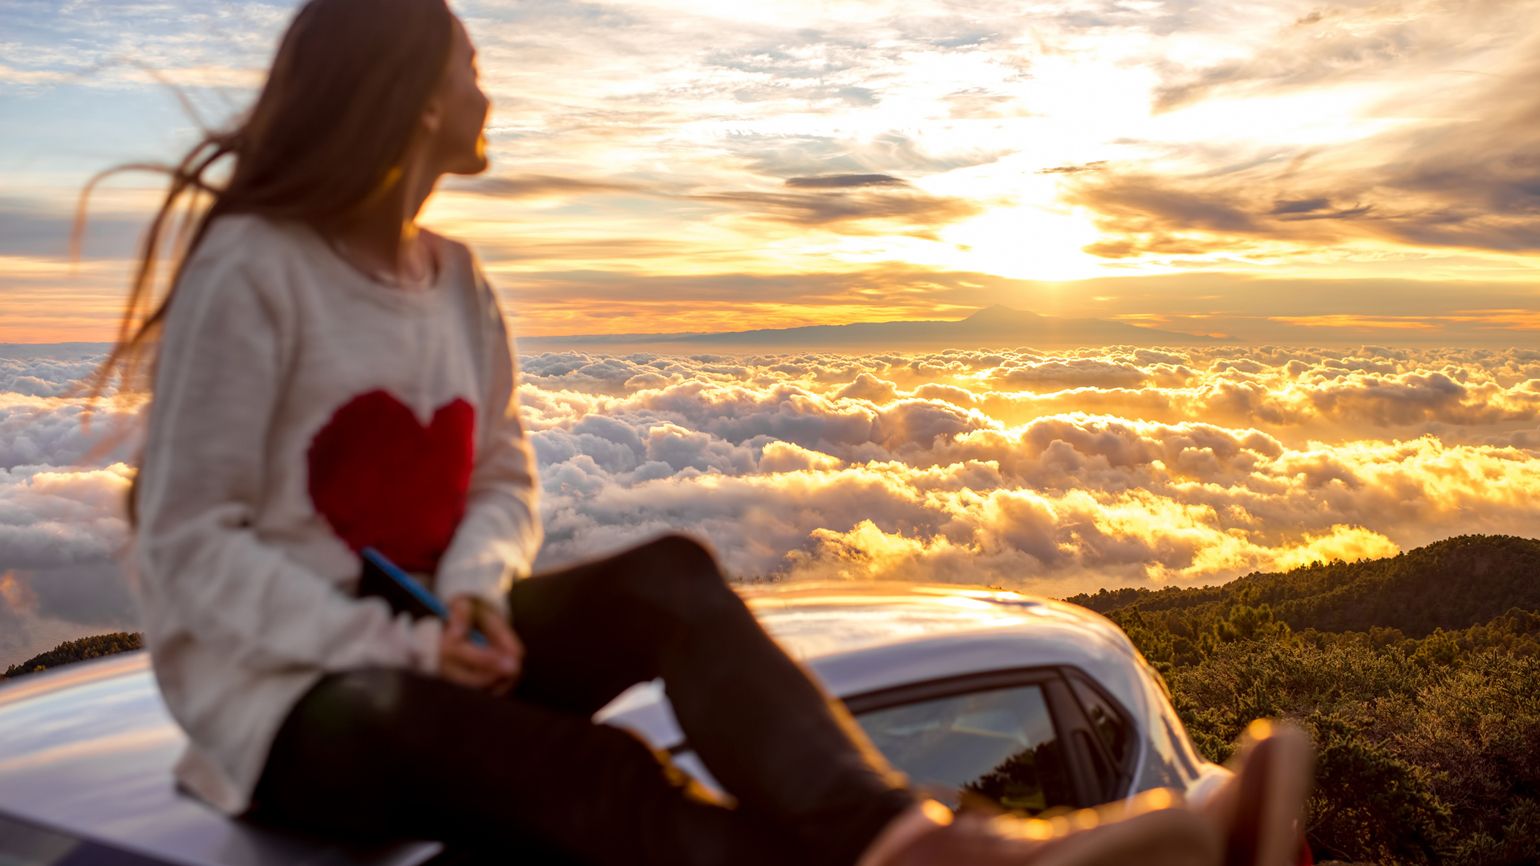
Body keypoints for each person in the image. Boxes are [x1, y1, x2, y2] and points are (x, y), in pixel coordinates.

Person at [86, 0, 1310, 863]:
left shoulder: (453, 277)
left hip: (427, 639)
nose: (485, 86)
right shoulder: (255, 268)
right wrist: (397, 649)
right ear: (408, 97)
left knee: (670, 575)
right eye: (466, 58)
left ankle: (909, 847)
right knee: (603, 779)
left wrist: (469, 595)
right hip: (288, 707)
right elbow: (189, 542)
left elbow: (501, 476)